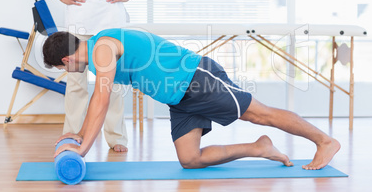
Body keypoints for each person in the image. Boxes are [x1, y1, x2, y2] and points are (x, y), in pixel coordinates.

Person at [43, 29, 341, 170]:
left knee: (258, 113)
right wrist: (79, 135)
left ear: (67, 59)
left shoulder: (102, 47)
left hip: (196, 80)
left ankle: (324, 141)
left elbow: (101, 99)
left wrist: (82, 147)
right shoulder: (98, 54)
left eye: (62, 68)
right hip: (180, 100)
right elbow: (100, 99)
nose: (67, 71)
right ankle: (259, 147)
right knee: (190, 159)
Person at [35, 0, 153, 152]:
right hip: (79, 19)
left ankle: (116, 137)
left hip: (111, 20)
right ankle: (71, 133)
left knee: (114, 82)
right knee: (76, 83)